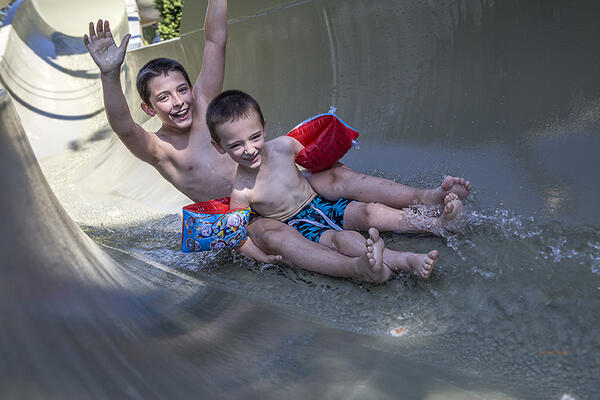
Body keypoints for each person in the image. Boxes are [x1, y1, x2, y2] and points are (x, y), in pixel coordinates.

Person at [83, 0, 471, 282]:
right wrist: (108, 74)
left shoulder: (203, 104)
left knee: (337, 177)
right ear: (149, 108)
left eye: (181, 89)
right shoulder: (159, 149)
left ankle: (429, 200)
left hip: (282, 185)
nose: (179, 101)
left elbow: (215, 41)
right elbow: (123, 127)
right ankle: (352, 266)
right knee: (276, 235)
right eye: (163, 97)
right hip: (248, 212)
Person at [207, 89, 463, 282]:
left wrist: (349, 179)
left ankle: (435, 223)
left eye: (254, 137)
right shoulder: (241, 190)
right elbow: (236, 234)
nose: (249, 150)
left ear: (263, 128)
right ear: (220, 147)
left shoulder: (283, 146)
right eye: (236, 145)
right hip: (301, 225)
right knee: (343, 240)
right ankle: (404, 261)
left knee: (370, 211)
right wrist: (260, 256)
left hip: (321, 202)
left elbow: (324, 162)